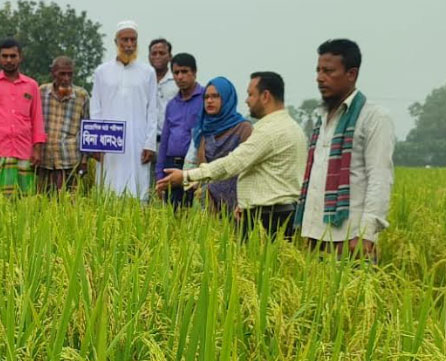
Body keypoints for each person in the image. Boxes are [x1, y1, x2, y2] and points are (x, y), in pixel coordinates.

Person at [157, 72, 307, 239]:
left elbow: (234, 163)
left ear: (265, 96)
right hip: (270, 210)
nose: (247, 100)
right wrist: (245, 202)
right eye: (207, 97)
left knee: (257, 262)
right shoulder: (292, 127)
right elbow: (264, 172)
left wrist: (186, 176)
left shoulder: (269, 131)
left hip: (269, 217)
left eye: (251, 94)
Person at [294, 39, 395, 260]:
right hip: (315, 237)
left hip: (350, 239)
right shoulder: (322, 119)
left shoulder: (373, 117)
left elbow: (379, 176)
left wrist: (366, 234)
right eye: (318, 70)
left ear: (351, 74)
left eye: (328, 71)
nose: (320, 78)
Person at [90, 21, 158, 202]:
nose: (129, 44)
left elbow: (152, 110)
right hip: (109, 142)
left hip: (138, 141)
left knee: (137, 189)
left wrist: (150, 144)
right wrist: (96, 143)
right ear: (116, 42)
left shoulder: (148, 72)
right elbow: (95, 108)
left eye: (133, 40)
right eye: (124, 40)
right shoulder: (101, 72)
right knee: (108, 188)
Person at [0, 38, 45, 196]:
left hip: (24, 151)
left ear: (20, 57)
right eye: (4, 56)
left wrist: (37, 150)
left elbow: (37, 118)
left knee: (26, 201)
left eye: (13, 56)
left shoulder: (31, 85)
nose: (9, 60)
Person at [190, 77, 252, 214]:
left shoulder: (243, 128)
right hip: (210, 203)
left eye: (215, 96)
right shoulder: (204, 130)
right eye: (206, 97)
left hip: (239, 203)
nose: (209, 101)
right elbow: (201, 167)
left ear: (227, 98)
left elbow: (246, 167)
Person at [155, 52, 202, 210]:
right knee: (173, 214)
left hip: (194, 166)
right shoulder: (172, 104)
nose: (180, 77)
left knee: (195, 213)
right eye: (176, 72)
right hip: (171, 163)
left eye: (184, 72)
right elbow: (164, 141)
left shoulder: (205, 99)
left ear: (194, 73)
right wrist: (159, 175)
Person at [37, 56, 90, 193]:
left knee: (69, 206)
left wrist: (84, 161)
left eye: (70, 74)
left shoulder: (81, 95)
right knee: (42, 203)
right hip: (45, 159)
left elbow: (87, 130)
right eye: (62, 74)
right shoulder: (41, 92)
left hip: (70, 160)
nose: (66, 78)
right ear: (53, 72)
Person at [149, 38, 177, 144]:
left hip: (170, 141)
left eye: (162, 53)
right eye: (154, 53)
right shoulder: (143, 81)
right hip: (146, 142)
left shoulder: (177, 82)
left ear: (170, 57)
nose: (157, 56)